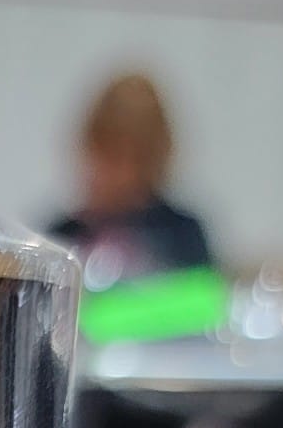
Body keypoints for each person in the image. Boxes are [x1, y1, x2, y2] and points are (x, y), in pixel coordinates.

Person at [48, 73, 214, 279]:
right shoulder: (59, 240)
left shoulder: (182, 236)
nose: (113, 174)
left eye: (129, 159)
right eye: (104, 153)